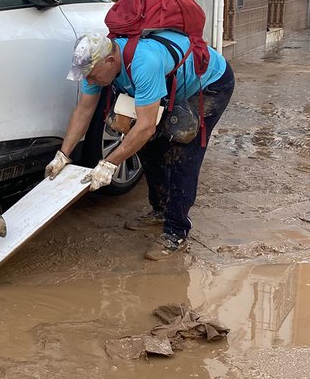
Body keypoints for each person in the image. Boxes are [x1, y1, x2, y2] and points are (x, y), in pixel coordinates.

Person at [46, 30, 234, 260]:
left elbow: (145, 127)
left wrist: (109, 164)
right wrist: (62, 155)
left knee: (181, 152)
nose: (89, 82)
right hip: (165, 86)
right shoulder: (96, 67)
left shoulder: (144, 63)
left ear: (111, 61)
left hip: (208, 84)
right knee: (150, 147)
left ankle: (176, 231)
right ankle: (160, 211)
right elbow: (84, 110)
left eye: (92, 76)